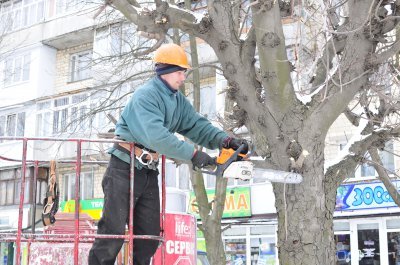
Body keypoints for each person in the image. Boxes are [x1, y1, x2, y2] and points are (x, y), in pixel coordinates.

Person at [88, 43, 248, 265]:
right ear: (165, 70)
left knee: (149, 235)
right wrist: (193, 155)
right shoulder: (146, 96)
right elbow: (157, 137)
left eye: (184, 72)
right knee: (113, 232)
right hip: (123, 168)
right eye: (180, 72)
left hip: (147, 172)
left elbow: (196, 125)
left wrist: (224, 140)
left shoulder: (177, 100)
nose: (183, 77)